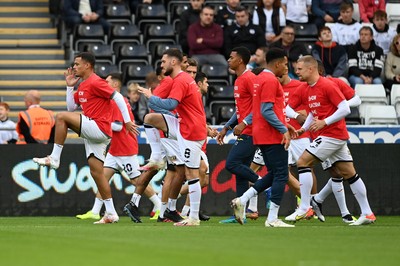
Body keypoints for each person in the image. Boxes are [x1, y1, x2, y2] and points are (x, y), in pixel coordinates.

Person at [33, 52, 139, 224]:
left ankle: (54, 158)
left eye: (77, 64)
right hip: (96, 133)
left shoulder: (96, 81)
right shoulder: (82, 85)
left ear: (87, 65)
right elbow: (71, 106)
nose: (74, 67)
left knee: (61, 117)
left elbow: (118, 97)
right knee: (97, 173)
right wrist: (69, 87)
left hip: (99, 127)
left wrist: (127, 121)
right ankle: (111, 213)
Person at [285, 55, 375, 226]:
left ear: (311, 69)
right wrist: (304, 127)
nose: (296, 72)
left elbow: (345, 108)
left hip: (332, 134)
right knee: (349, 173)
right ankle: (368, 213)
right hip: (331, 136)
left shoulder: (327, 84)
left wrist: (324, 122)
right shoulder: (306, 88)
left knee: (303, 161)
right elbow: (309, 112)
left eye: (300, 69)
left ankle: (304, 207)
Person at [76, 72, 161, 221]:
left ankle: (159, 206)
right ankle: (95, 211)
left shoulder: (115, 100)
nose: (103, 83)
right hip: (115, 148)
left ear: (115, 85)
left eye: (107, 81)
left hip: (124, 147)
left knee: (136, 180)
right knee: (103, 177)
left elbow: (117, 125)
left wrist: (96, 122)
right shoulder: (119, 99)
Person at [139, 48, 208, 226]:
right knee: (150, 118)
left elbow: (170, 104)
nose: (161, 65)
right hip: (183, 124)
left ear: (173, 62)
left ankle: (193, 217)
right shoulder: (182, 79)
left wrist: (150, 97)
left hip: (191, 131)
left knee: (192, 174)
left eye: (163, 61)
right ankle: (156, 158)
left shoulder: (181, 80)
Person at [231, 48, 294, 228]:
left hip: (261, 133)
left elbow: (261, 109)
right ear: (278, 63)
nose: (286, 68)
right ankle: (272, 218)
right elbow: (266, 110)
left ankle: (242, 199)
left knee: (274, 173)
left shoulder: (258, 79)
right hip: (271, 135)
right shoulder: (270, 80)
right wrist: (283, 129)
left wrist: (284, 123)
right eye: (285, 64)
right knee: (282, 174)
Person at [216, 47, 259, 224]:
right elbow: (241, 109)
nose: (228, 60)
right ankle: (239, 215)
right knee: (241, 174)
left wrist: (245, 123)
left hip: (251, 132)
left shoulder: (249, 78)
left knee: (232, 164)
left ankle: (263, 182)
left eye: (231, 57)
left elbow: (258, 106)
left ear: (240, 61)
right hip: (245, 129)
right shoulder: (239, 80)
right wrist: (227, 126)